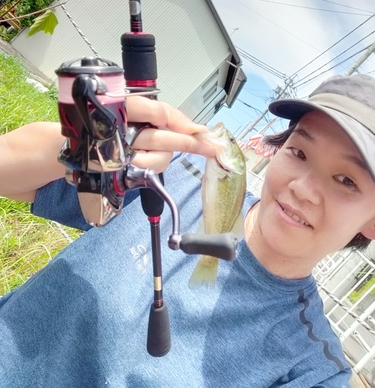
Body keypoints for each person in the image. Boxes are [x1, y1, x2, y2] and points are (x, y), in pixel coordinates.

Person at [1, 73, 375, 387]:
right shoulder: (170, 175)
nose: (302, 189)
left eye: (346, 180)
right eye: (300, 152)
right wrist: (84, 144)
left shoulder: (310, 369)